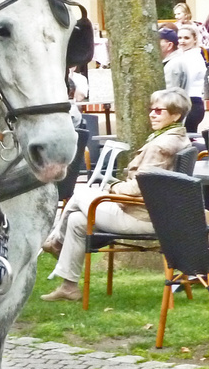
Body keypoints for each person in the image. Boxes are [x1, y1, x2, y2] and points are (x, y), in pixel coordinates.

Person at [39, 87, 195, 302]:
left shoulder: (161, 145)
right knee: (76, 220)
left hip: (142, 217)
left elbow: (140, 186)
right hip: (155, 213)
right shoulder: (177, 138)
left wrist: (111, 189)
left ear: (176, 114)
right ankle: (69, 286)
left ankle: (55, 241)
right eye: (152, 109)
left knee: (80, 194)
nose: (152, 114)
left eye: (159, 111)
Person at [170, 25, 208, 132]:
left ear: (195, 39)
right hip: (185, 102)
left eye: (186, 38)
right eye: (180, 38)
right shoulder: (183, 56)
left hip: (192, 103)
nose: (182, 41)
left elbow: (186, 81)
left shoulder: (194, 57)